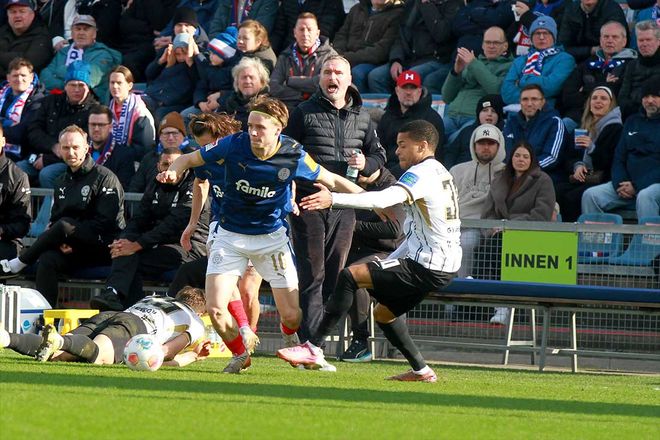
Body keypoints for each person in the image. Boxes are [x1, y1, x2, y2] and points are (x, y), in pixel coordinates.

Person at [157, 96, 367, 374]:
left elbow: (331, 179)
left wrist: (374, 200)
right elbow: (188, 158)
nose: (253, 132)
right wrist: (173, 172)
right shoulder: (233, 144)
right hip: (229, 235)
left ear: (278, 129)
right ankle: (240, 354)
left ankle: (290, 335)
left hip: (271, 239)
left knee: (292, 315)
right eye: (251, 126)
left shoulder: (293, 154)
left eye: (260, 127)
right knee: (216, 308)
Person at [277, 120, 461, 382]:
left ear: (422, 146)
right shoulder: (441, 172)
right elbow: (418, 230)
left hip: (426, 265)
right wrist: (393, 259)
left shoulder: (421, 173)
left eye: (403, 145)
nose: (397, 151)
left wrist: (334, 199)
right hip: (441, 265)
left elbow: (383, 199)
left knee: (350, 276)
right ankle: (422, 371)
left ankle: (313, 348)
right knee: (384, 314)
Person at [285, 55, 386, 344]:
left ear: (349, 79)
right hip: (310, 202)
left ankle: (316, 340)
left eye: (339, 73)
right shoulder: (303, 112)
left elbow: (379, 156)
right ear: (319, 79)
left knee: (334, 275)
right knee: (312, 274)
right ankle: (309, 342)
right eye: (327, 72)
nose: (333, 78)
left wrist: (366, 163)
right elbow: (287, 154)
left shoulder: (363, 117)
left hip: (345, 204)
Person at [0, 125, 125, 307]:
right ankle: (46, 315)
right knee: (48, 259)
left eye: (75, 147)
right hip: (73, 248)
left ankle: (20, 262)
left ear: (86, 148)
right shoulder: (61, 181)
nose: (71, 152)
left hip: (103, 248)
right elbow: (55, 220)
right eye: (65, 148)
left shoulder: (105, 177)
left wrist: (71, 238)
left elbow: (105, 224)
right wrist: (62, 242)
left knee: (65, 225)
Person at [167, 113, 261, 333]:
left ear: (221, 137)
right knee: (227, 285)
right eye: (200, 146)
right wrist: (193, 223)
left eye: (208, 144)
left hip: (255, 226)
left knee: (247, 291)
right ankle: (242, 335)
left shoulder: (246, 152)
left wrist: (289, 198)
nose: (205, 150)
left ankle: (250, 337)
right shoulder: (204, 158)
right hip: (222, 226)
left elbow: (280, 173)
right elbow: (200, 183)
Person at [89, 147, 209, 311]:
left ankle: (122, 303)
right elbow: (139, 218)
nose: (170, 169)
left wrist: (136, 245)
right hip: (159, 245)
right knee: (127, 254)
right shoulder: (155, 183)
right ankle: (117, 300)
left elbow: (172, 224)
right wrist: (123, 241)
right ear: (158, 166)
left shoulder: (192, 185)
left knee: (132, 259)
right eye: (165, 164)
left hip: (189, 247)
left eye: (175, 164)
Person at [0, 286, 211, 368]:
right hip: (135, 327)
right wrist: (192, 355)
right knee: (99, 355)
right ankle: (60, 340)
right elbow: (166, 351)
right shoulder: (195, 321)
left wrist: (193, 356)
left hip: (113, 315)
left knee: (58, 355)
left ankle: (7, 337)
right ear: (200, 311)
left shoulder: (155, 298)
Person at [476, 140, 555, 324]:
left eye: (525, 157)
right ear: (511, 158)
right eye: (517, 155)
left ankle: (502, 305)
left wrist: (509, 225)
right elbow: (488, 212)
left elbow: (541, 214)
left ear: (532, 160)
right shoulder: (500, 178)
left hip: (528, 235)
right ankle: (485, 301)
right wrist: (493, 227)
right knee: (487, 246)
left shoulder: (543, 180)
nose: (521, 160)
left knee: (496, 247)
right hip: (498, 234)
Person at [339, 166, 405, 362]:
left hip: (388, 254)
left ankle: (361, 341)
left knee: (354, 276)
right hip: (354, 251)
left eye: (362, 169)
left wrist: (353, 226)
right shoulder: (347, 184)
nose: (356, 174)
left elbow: (394, 229)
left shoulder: (392, 188)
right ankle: (312, 341)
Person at [582, 80, 660, 220]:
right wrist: (620, 183)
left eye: (655, 96)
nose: (649, 101)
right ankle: (596, 235)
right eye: (646, 96)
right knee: (590, 195)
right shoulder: (632, 121)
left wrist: (637, 186)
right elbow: (619, 157)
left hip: (654, 185)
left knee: (645, 196)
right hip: (626, 184)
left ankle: (648, 235)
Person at [20, 60, 98, 189]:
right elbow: (34, 131)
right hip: (41, 154)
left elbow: (86, 147)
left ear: (88, 87)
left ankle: (54, 203)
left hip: (71, 163)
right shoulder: (50, 102)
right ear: (65, 86)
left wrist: (47, 159)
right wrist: (52, 146)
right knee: (17, 170)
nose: (77, 89)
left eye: (81, 85)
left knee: (47, 174)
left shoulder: (94, 111)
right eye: (72, 85)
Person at [367, 0, 463, 94]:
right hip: (410, 59)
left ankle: (415, 105)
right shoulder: (412, 4)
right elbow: (400, 37)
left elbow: (441, 35)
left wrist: (427, 5)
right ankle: (391, 104)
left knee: (411, 77)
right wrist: (396, 60)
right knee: (376, 76)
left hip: (437, 59)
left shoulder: (453, 4)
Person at [556, 86, 622, 222]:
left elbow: (609, 161)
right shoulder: (582, 126)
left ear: (611, 104)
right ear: (589, 103)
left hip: (602, 178)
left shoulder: (615, 128)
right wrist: (577, 165)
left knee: (572, 197)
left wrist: (592, 148)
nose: (598, 101)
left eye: (603, 98)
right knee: (557, 190)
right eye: (594, 98)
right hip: (582, 177)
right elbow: (570, 155)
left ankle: (576, 232)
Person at [450, 123, 506, 278]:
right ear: (474, 146)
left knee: (465, 242)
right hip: (454, 226)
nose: (486, 147)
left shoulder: (507, 172)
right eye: (481, 143)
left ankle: (463, 290)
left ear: (499, 146)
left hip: (483, 227)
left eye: (491, 143)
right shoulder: (457, 170)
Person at [442, 26, 513, 145]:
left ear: (505, 46)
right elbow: (446, 97)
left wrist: (474, 64)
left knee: (453, 142)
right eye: (488, 42)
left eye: (496, 43)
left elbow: (495, 90)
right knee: (429, 135)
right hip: (452, 116)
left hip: (475, 118)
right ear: (482, 45)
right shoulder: (472, 62)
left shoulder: (510, 66)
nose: (491, 46)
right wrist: (456, 72)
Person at [560, 21, 636, 127]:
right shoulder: (587, 63)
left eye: (615, 37)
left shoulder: (631, 65)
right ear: (600, 40)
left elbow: (616, 98)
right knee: (563, 125)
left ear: (624, 41)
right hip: (578, 116)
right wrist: (604, 83)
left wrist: (585, 89)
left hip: (611, 120)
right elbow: (567, 97)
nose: (609, 40)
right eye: (606, 37)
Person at [377, 70, 445, 178]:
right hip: (385, 171)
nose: (408, 92)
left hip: (415, 174)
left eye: (413, 88)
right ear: (397, 90)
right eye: (404, 87)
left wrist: (385, 175)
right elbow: (379, 148)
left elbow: (432, 157)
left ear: (419, 91)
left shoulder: (432, 119)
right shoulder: (387, 116)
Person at [40, 14, 121, 101]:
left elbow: (88, 80)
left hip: (91, 103)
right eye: (78, 29)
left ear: (94, 34)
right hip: (57, 100)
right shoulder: (63, 52)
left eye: (86, 29)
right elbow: (44, 77)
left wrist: (59, 72)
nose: (81, 33)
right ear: (72, 33)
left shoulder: (103, 54)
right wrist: (69, 84)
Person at [331, 0, 405, 93]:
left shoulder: (397, 13)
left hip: (375, 62)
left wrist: (346, 57)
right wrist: (338, 54)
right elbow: (342, 35)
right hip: (346, 57)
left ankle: (362, 101)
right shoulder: (357, 9)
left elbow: (381, 51)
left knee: (357, 73)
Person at [269, 12, 337, 112]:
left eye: (309, 29)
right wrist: (301, 95)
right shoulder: (285, 56)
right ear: (294, 32)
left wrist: (289, 81)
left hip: (319, 109)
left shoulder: (330, 56)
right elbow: (273, 86)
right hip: (288, 109)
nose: (305, 34)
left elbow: (324, 84)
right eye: (301, 29)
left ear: (317, 33)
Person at [501, 15, 575, 107]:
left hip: (547, 110)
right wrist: (531, 98)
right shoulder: (520, 61)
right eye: (537, 33)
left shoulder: (564, 59)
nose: (541, 37)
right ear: (531, 37)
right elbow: (507, 94)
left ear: (554, 37)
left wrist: (522, 81)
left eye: (546, 33)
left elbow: (551, 87)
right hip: (516, 110)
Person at [504, 84, 570, 184]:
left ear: (543, 102)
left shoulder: (554, 122)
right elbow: (505, 154)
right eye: (525, 99)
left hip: (544, 177)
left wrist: (524, 169)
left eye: (534, 99)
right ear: (520, 102)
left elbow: (552, 157)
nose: (529, 104)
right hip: (512, 175)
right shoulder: (511, 123)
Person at [115, 0, 178, 83]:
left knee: (128, 63)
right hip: (129, 43)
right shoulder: (138, 2)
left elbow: (159, 25)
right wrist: (148, 28)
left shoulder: (173, 4)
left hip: (153, 44)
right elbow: (124, 24)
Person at [129, 111, 192, 193]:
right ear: (160, 137)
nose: (170, 138)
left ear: (183, 135)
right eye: (166, 133)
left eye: (175, 133)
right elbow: (135, 186)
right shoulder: (149, 158)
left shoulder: (192, 157)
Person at [107, 65, 156, 163]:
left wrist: (118, 155)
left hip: (134, 163)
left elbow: (144, 148)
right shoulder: (108, 109)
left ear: (129, 86)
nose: (115, 86)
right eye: (112, 82)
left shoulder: (140, 112)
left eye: (119, 83)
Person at [443, 94, 505, 169]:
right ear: (478, 114)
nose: (489, 114)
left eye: (493, 111)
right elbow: (451, 153)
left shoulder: (504, 134)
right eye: (485, 110)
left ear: (499, 116)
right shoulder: (467, 131)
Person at [0, 57, 45, 161]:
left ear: (31, 77)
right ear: (8, 78)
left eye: (23, 75)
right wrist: (7, 122)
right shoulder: (2, 93)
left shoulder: (38, 100)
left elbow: (21, 133)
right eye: (15, 75)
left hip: (20, 154)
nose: (19, 79)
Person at [558, 0, 628, 63]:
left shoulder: (612, 9)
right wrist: (590, 50)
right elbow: (563, 47)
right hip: (575, 59)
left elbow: (615, 44)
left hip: (607, 59)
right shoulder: (571, 9)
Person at [86, 104, 136, 189]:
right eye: (93, 124)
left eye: (101, 125)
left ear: (110, 127)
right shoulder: (81, 152)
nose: (96, 129)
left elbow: (123, 188)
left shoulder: (124, 155)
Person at [0, 123, 30, 260]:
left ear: (3, 141)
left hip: (6, 242)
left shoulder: (17, 176)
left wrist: (1, 230)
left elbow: (22, 224)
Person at [618, 20, 660, 118]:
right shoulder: (631, 65)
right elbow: (622, 98)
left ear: (658, 41)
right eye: (641, 40)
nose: (644, 44)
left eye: (648, 40)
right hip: (632, 116)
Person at [214, 56, 270, 129]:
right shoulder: (227, 103)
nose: (247, 81)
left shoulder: (268, 106)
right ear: (237, 82)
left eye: (251, 77)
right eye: (243, 77)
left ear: (262, 82)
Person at [270, 0, 345, 54]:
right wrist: (272, 52)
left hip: (317, 53)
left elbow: (326, 32)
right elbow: (278, 32)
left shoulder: (331, 2)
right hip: (287, 52)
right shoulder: (288, 2)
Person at [0, 0, 52, 77]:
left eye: (22, 11)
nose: (17, 15)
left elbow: (28, 64)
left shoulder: (42, 35)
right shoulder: (3, 31)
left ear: (32, 15)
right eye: (13, 12)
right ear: (7, 15)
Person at [207, 0, 278, 36]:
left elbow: (258, 34)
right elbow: (215, 30)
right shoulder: (227, 1)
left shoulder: (268, 2)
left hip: (251, 53)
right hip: (223, 49)